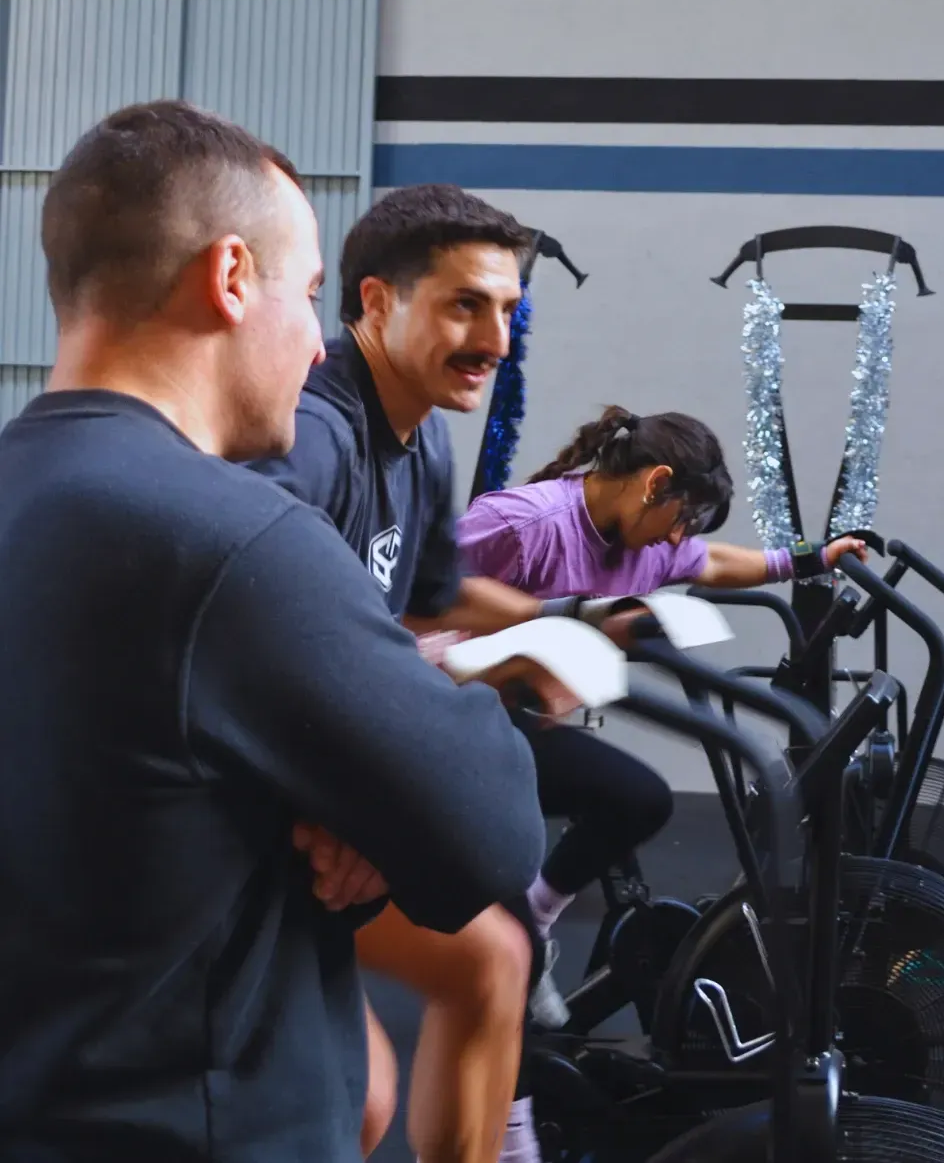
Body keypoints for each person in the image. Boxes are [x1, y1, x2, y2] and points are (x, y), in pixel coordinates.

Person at [0, 102, 551, 1163]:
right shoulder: (241, 540)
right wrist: (390, 786)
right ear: (231, 277)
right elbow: (490, 829)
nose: (314, 342)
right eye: (307, 298)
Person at [244, 183, 605, 1163]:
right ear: (374, 303)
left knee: (496, 956)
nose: (495, 335)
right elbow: (255, 637)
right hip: (248, 817)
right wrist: (360, 811)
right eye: (464, 305)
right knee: (356, 1098)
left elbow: (437, 588)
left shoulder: (424, 433)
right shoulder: (316, 438)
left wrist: (559, 632)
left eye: (505, 309)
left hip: (323, 792)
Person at [455, 403, 868, 995]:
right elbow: (420, 593)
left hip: (520, 718)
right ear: (655, 483)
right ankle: (510, 950)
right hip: (451, 709)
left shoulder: (648, 542)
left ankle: (533, 920)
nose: (678, 540)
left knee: (640, 800)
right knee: (524, 837)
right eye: (681, 519)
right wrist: (518, 651)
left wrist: (808, 559)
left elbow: (713, 561)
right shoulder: (526, 523)